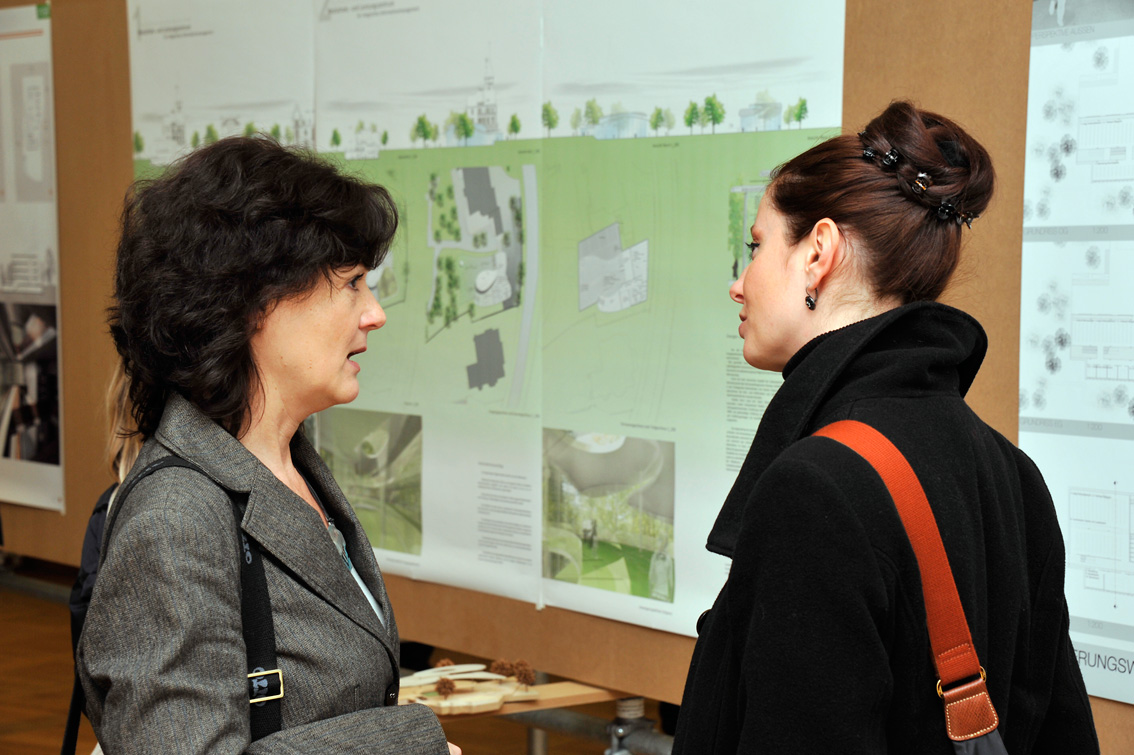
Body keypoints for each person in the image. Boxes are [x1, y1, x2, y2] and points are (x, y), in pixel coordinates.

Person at [673, 102, 1099, 753]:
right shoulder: (1013, 473)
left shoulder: (814, 489)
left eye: (757, 246)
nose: (740, 283)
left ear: (817, 252)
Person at [77, 136, 459, 754]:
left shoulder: (292, 467)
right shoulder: (176, 519)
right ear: (257, 301)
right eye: (355, 283)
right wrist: (405, 746)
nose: (376, 313)